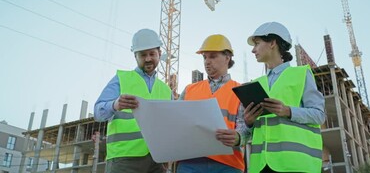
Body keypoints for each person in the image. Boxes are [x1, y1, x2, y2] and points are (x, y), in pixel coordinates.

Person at [244, 22, 325, 173]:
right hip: (261, 165)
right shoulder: (256, 84)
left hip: (295, 165)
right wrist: (249, 122)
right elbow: (251, 132)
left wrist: (288, 111)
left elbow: (319, 115)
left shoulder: (301, 74)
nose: (253, 50)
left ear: (273, 43)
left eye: (257, 43)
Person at [94, 28, 171, 173]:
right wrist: (114, 105)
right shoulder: (121, 79)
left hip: (156, 161)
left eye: (152, 54)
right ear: (135, 56)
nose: (148, 58)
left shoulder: (166, 90)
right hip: (124, 160)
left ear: (159, 54)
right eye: (143, 55)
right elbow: (98, 112)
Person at [177, 34, 251, 173]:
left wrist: (238, 137)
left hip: (228, 164)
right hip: (190, 162)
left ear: (227, 58)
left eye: (212, 56)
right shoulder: (188, 90)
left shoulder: (240, 91)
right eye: (205, 57)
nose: (207, 61)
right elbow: (176, 123)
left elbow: (246, 128)